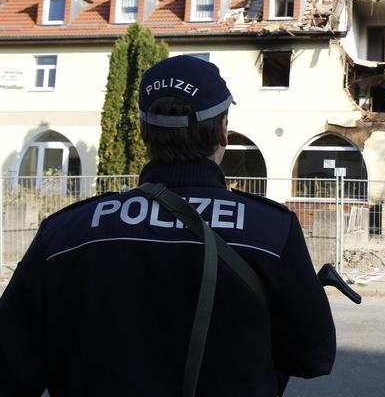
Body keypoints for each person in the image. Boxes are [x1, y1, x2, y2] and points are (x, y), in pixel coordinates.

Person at [0, 55, 335, 396]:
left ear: (144, 133)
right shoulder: (269, 231)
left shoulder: (65, 234)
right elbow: (313, 357)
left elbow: (9, 368)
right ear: (222, 131)